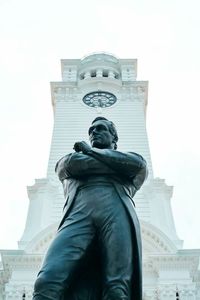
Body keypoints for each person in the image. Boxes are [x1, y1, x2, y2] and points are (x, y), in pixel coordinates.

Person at [33, 117, 148, 300]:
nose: (94, 132)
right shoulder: (71, 159)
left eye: (101, 128)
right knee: (47, 280)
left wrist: (89, 151)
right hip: (78, 217)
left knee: (117, 288)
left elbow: (137, 165)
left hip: (117, 216)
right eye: (91, 129)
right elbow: (68, 166)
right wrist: (113, 164)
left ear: (114, 140)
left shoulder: (130, 160)